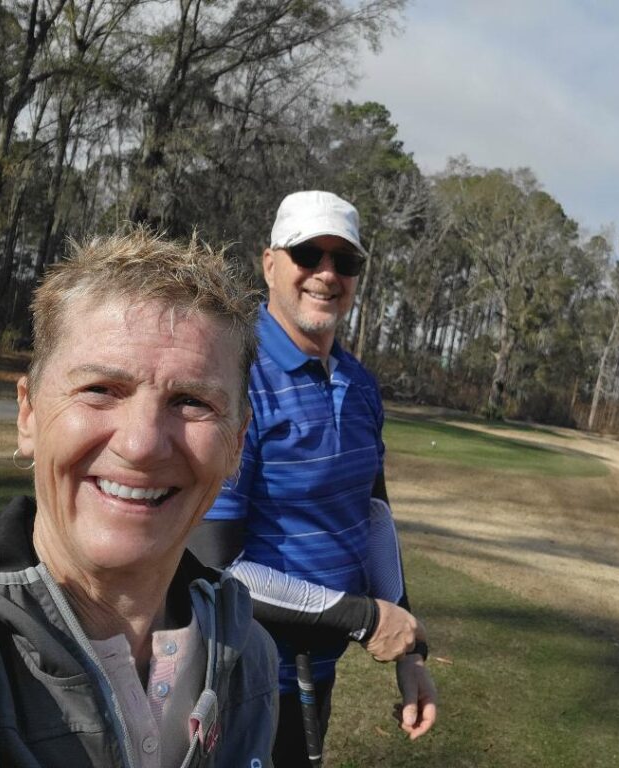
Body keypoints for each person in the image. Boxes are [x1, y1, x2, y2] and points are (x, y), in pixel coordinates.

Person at [0, 230, 278, 767]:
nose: (141, 445)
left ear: (236, 442)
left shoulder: (246, 657)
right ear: (28, 414)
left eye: (191, 402)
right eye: (100, 390)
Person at [189, 190, 438, 766]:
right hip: (233, 677)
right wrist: (364, 619)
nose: (327, 274)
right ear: (270, 263)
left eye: (344, 261)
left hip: (315, 673)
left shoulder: (360, 384)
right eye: (307, 254)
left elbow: (373, 515)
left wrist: (409, 649)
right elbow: (215, 566)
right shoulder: (236, 379)